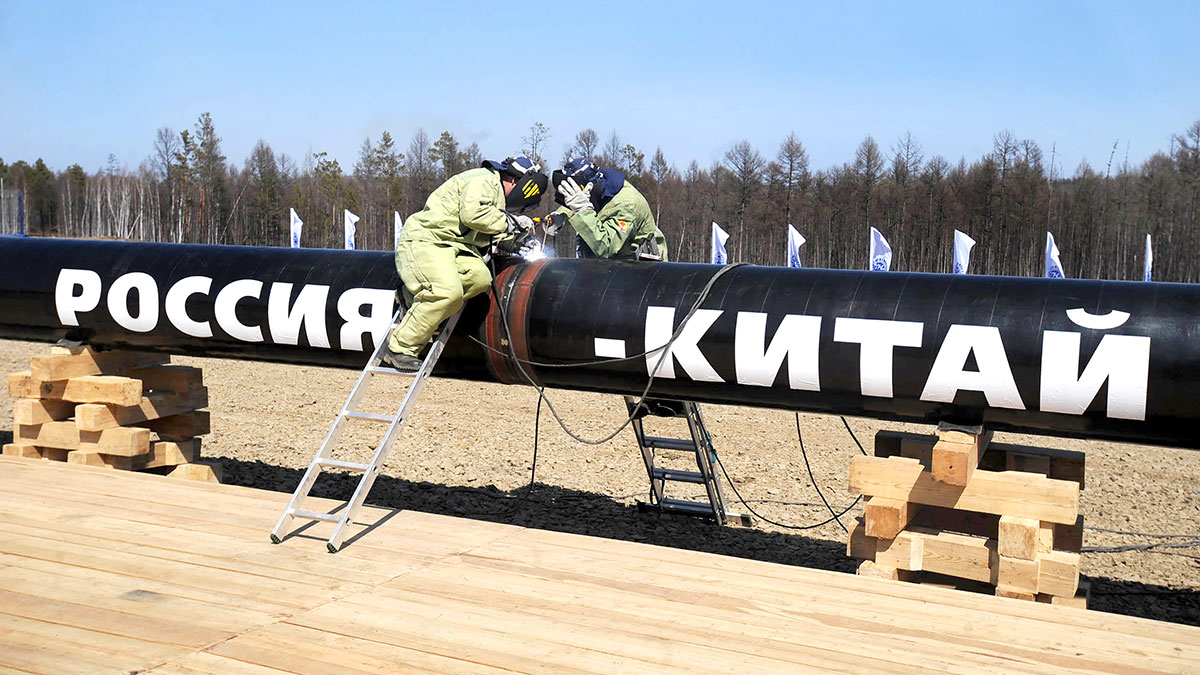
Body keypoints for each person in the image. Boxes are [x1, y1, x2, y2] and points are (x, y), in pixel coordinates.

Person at [382, 157, 548, 370]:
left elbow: (485, 232)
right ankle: (400, 348)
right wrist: (511, 223)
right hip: (429, 240)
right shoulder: (484, 180)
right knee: (446, 293)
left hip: (457, 247)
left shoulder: (495, 195)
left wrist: (515, 243)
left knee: (480, 278)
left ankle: (411, 297)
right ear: (517, 183)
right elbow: (473, 216)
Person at [552, 158, 669, 261]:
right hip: (614, 265)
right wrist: (559, 215)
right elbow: (579, 200)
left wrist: (582, 210)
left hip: (644, 270)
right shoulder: (598, 186)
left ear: (589, 188)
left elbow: (606, 247)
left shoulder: (627, 205)